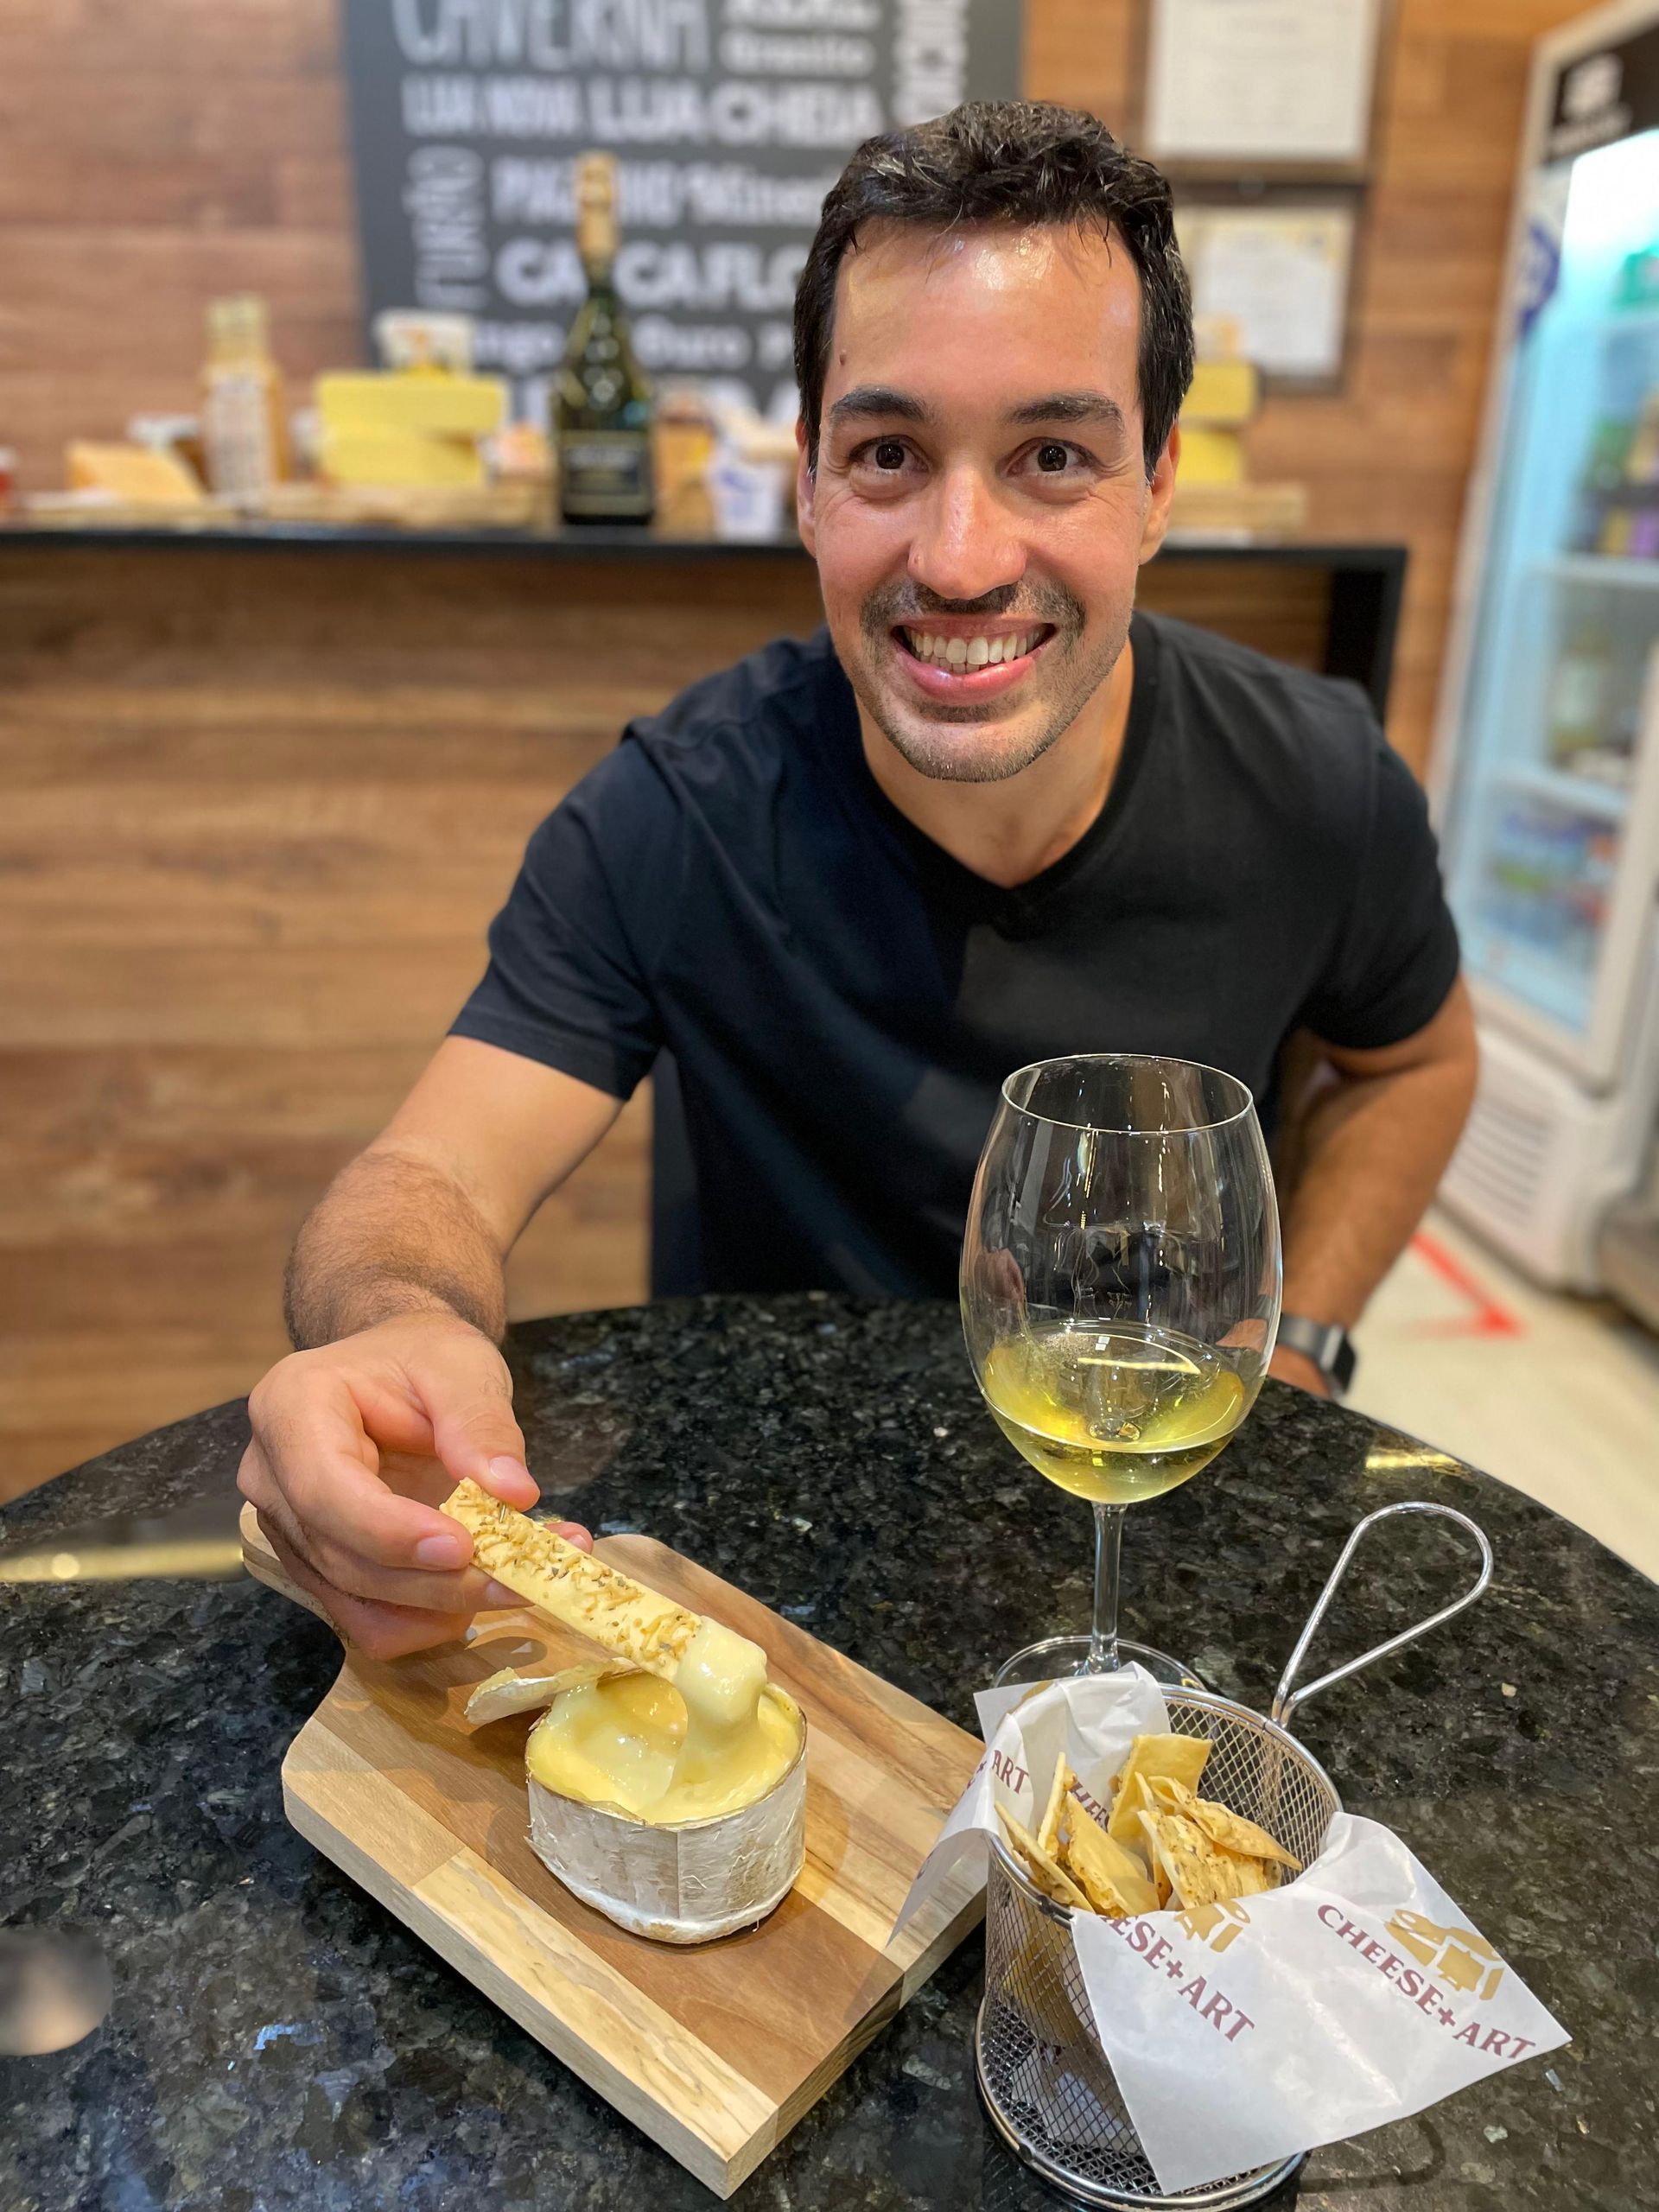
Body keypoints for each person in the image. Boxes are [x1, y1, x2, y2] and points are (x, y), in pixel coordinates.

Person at [240, 101, 1477, 1659]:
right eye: (890, 453)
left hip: (1154, 1518)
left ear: (1157, 485)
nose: (960, 557)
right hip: (773, 1568)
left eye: (1052, 456)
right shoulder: (674, 811)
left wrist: (1299, 1341)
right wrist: (397, 1330)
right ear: (810, 484)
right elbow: (426, 1182)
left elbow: (1417, 1060)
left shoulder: (1318, 782)